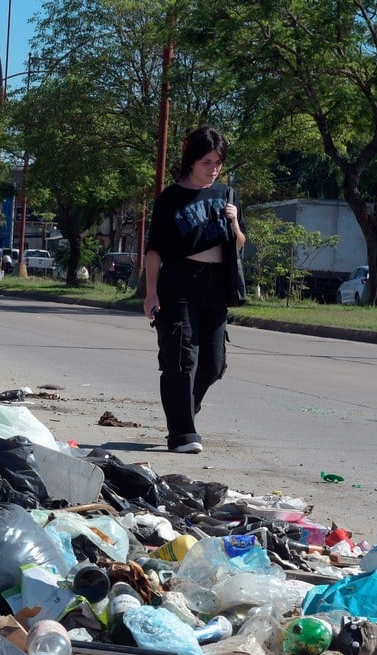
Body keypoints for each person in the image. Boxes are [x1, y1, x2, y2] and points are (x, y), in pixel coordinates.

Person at [143, 126, 245, 454]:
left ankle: (185, 409)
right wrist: (151, 293)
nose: (213, 169)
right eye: (206, 162)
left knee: (213, 365)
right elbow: (155, 250)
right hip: (180, 283)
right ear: (191, 160)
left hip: (216, 284)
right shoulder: (170, 199)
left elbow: (239, 244)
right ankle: (182, 434)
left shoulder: (227, 195)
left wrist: (235, 225)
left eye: (217, 162)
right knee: (181, 359)